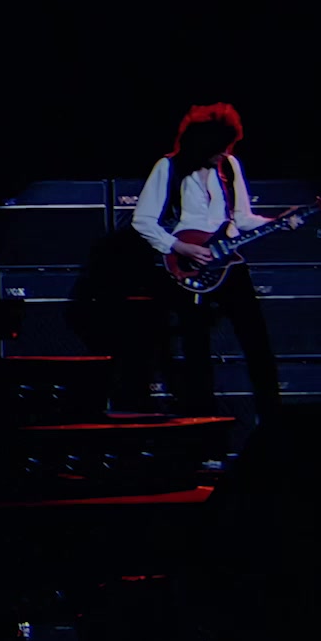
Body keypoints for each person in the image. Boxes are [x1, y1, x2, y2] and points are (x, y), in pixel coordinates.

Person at [129, 103, 302, 424]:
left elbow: (243, 218)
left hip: (230, 264)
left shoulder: (230, 167)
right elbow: (143, 220)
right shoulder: (168, 167)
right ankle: (202, 425)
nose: (225, 152)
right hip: (188, 265)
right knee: (196, 346)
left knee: (257, 342)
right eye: (220, 146)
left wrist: (279, 221)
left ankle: (273, 419)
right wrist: (180, 246)